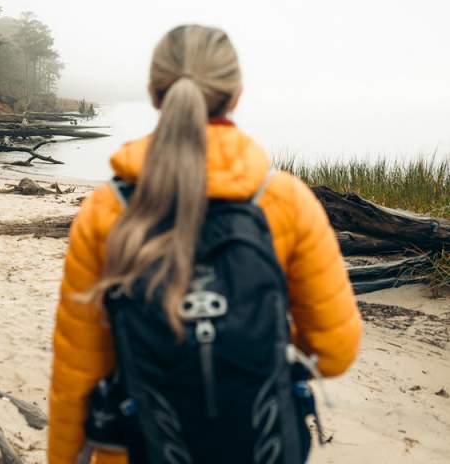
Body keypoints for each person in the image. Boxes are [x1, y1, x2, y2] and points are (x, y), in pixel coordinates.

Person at [48, 25, 362, 464]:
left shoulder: (108, 210)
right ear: (236, 95)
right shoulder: (286, 201)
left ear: (155, 94)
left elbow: (77, 376)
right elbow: (334, 353)